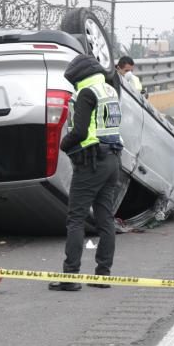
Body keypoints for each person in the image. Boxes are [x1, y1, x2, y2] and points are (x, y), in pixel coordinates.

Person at [50, 54, 123, 291]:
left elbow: (80, 132)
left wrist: (63, 145)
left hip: (91, 163)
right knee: (105, 219)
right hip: (112, 160)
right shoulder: (109, 90)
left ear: (78, 77)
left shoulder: (86, 93)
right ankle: (103, 274)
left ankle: (70, 277)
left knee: (76, 219)